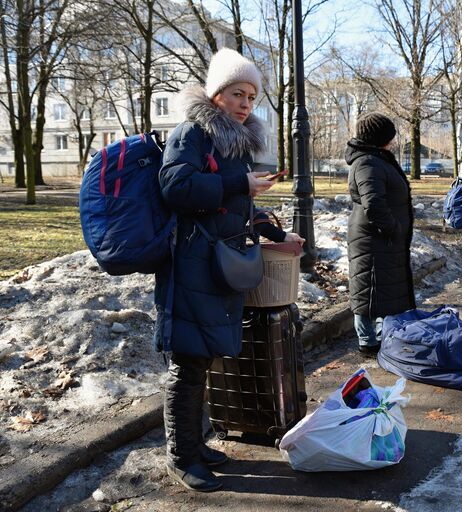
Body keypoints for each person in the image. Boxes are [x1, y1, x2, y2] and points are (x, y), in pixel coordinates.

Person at [155, 48, 304, 492]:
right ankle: (180, 457)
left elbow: (238, 208)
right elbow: (175, 186)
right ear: (216, 93)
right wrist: (239, 183)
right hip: (192, 267)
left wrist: (278, 236)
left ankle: (195, 445)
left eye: (252, 97)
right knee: (187, 363)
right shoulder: (191, 134)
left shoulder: (233, 144)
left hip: (218, 268)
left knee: (202, 361)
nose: (245, 103)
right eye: (237, 93)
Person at [345, 113, 415, 356]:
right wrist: (393, 229)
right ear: (380, 138)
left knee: (380, 288)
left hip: (381, 238)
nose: (393, 142)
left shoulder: (375, 159)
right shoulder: (366, 163)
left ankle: (380, 336)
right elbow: (373, 204)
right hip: (373, 238)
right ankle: (368, 341)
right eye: (390, 137)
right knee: (369, 288)